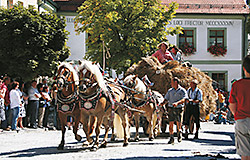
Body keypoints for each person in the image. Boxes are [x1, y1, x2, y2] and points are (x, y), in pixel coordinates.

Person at [229, 55, 250, 160]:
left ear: (244, 68)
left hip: (242, 120)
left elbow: (232, 105)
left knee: (245, 154)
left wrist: (237, 116)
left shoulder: (237, 85)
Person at [161, 77, 188, 144]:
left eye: (172, 82)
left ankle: (179, 133)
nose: (171, 84)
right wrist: (162, 103)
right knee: (171, 124)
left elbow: (184, 99)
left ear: (175, 82)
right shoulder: (170, 91)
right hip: (171, 108)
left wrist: (177, 103)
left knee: (179, 124)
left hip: (179, 109)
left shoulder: (182, 90)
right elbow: (166, 99)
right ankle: (171, 137)